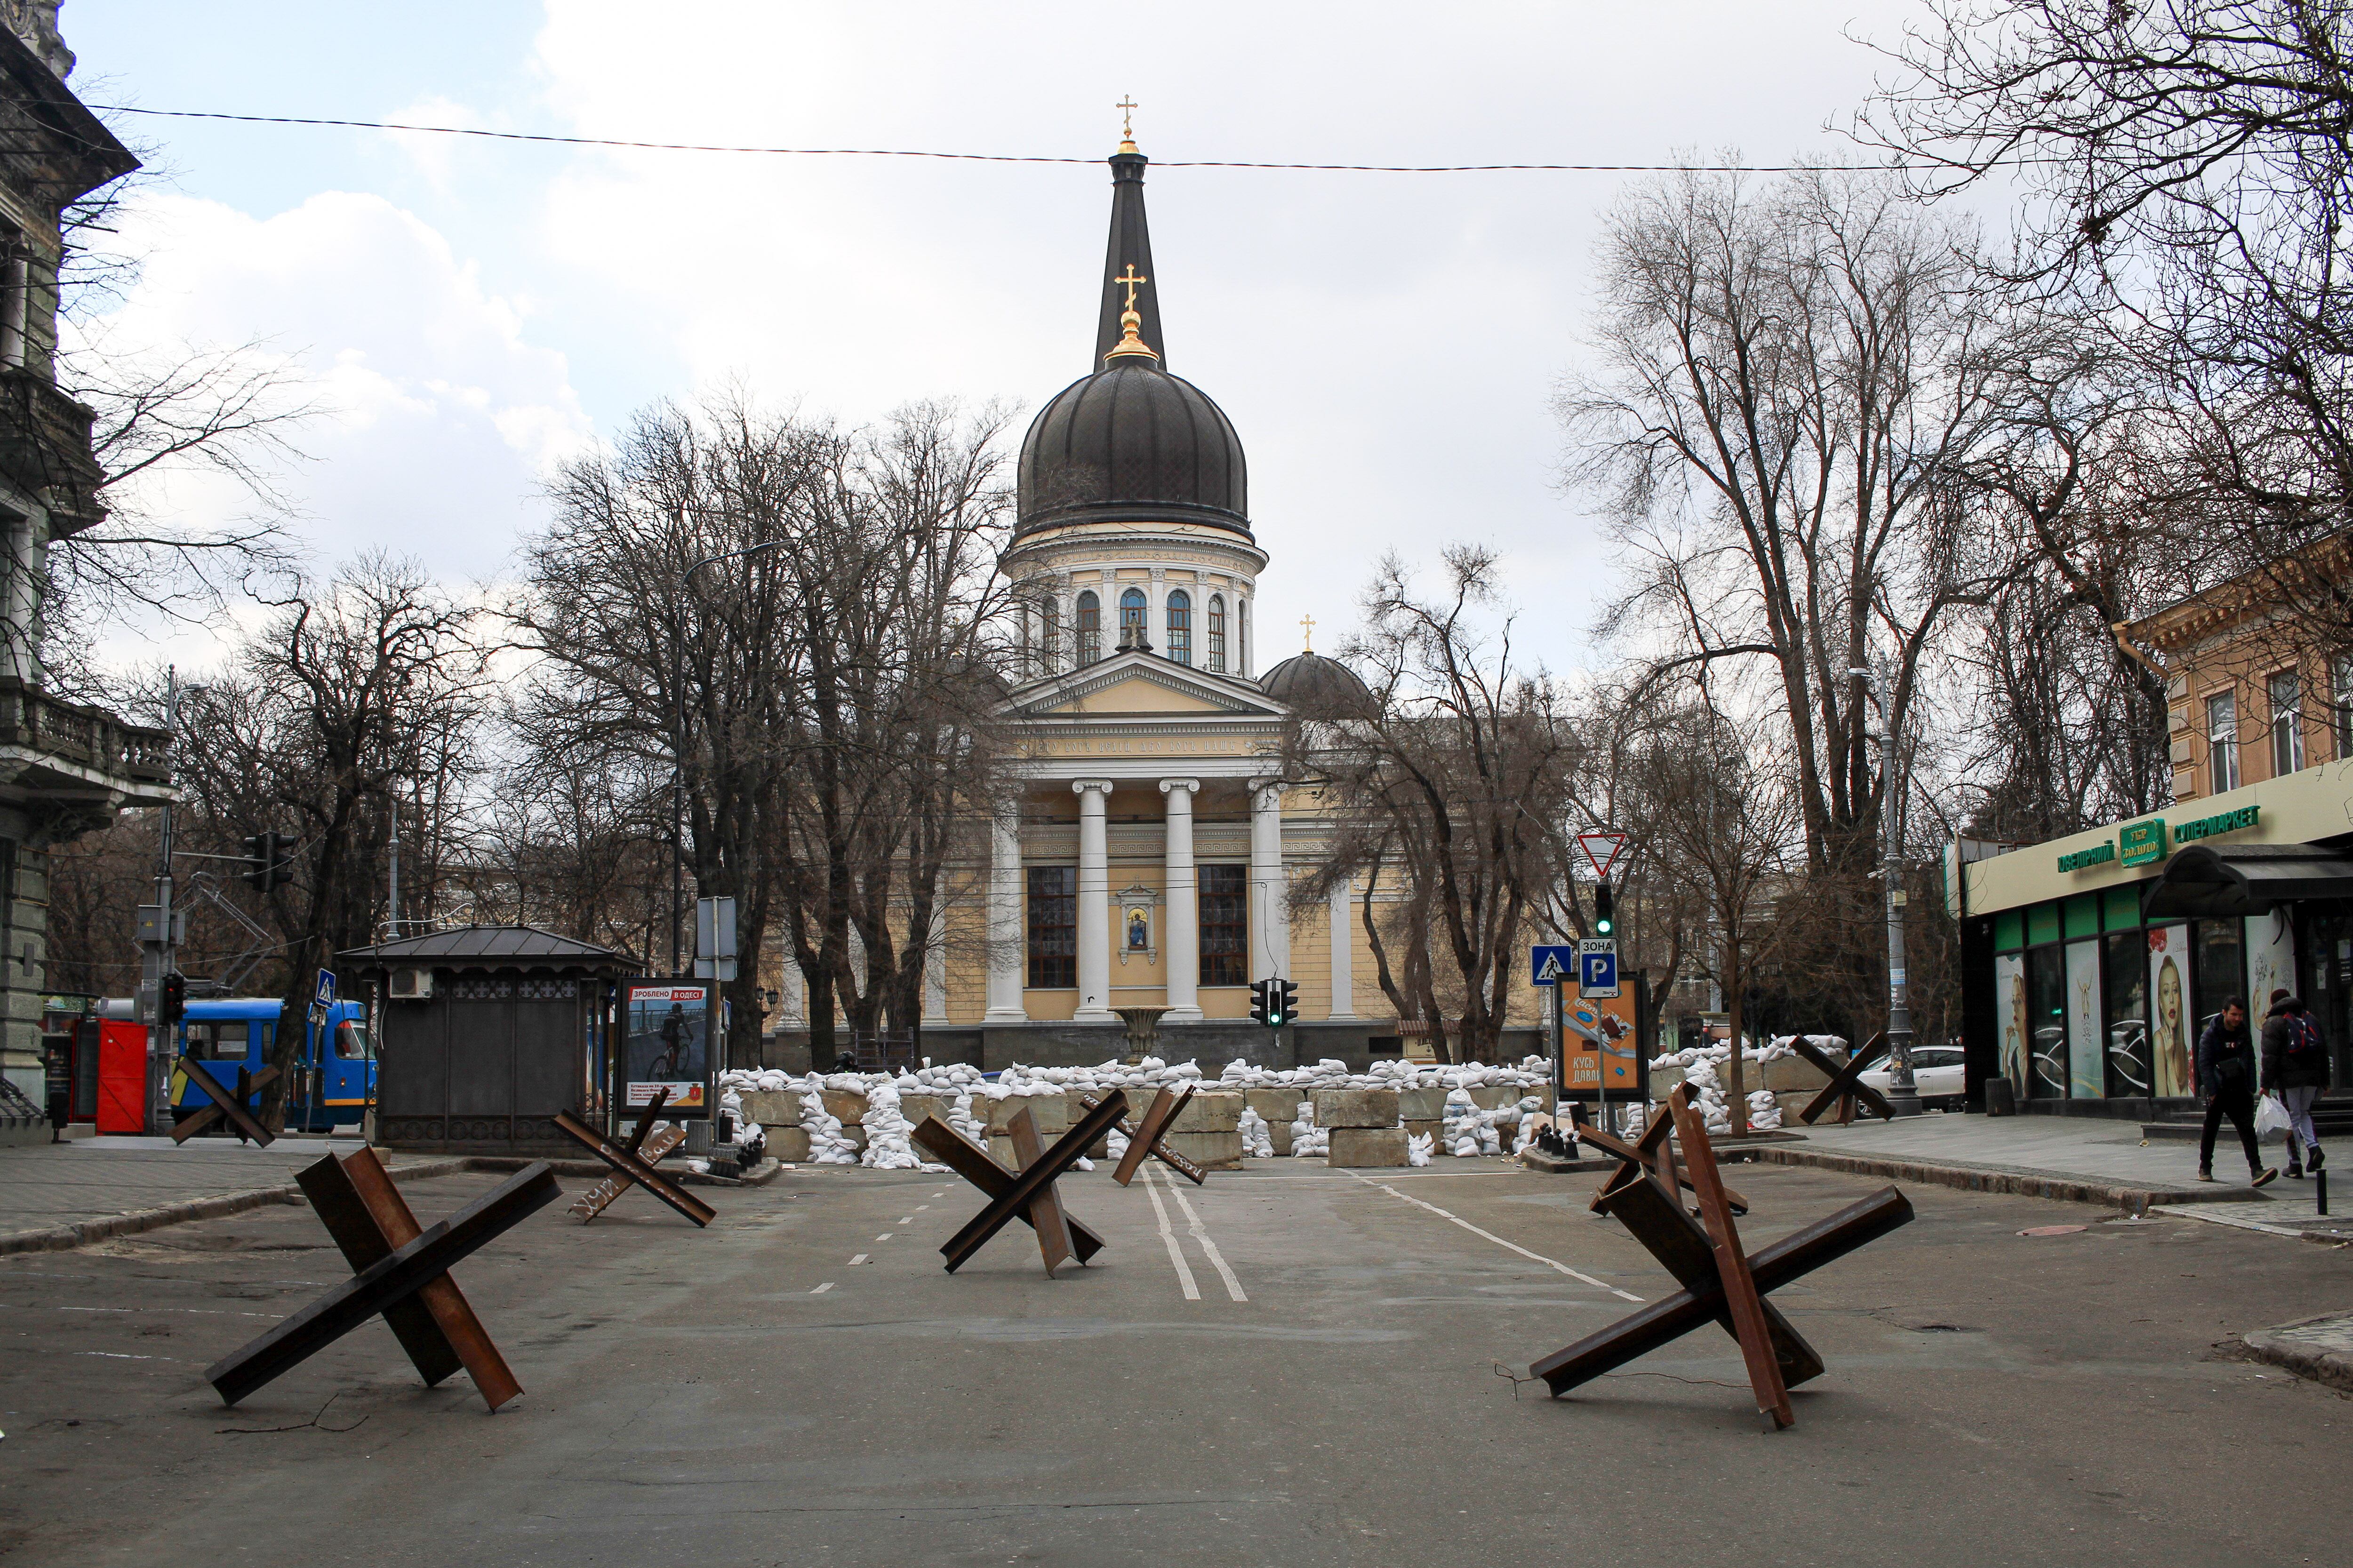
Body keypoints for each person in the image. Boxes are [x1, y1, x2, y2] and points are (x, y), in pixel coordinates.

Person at [2197, 996, 2278, 1186]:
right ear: (2224, 1013)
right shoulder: (2211, 1035)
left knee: (2247, 1130)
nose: (2238, 1019)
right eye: (2234, 1014)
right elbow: (2204, 1064)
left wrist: (2251, 1087)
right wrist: (2212, 1091)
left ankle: (2256, 1169)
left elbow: (2250, 1059)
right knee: (2211, 1129)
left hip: (2240, 1088)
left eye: (2241, 1015)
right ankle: (2205, 1167)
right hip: (2219, 1089)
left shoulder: (2243, 1033)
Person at [2260, 989, 2332, 1179]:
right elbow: (2324, 1052)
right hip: (2312, 1078)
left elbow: (2269, 1057)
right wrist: (2325, 1081)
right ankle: (2314, 1148)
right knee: (2305, 1113)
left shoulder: (2274, 1022)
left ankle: (2295, 1164)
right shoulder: (2310, 1018)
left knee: (2291, 1118)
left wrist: (2266, 1084)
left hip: (2289, 1080)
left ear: (2274, 1003)